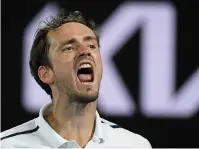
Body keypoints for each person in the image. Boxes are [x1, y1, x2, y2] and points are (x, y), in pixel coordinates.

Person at [0, 9, 152, 148]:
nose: (85, 51)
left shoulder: (135, 145)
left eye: (92, 46)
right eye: (69, 48)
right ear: (46, 74)